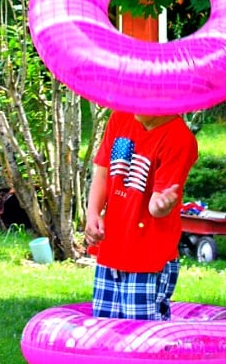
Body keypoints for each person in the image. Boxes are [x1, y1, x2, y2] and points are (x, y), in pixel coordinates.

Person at [84, 110, 199, 320]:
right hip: (112, 248)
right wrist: (92, 213)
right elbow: (102, 172)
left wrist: (163, 204)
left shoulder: (179, 139)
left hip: (148, 257)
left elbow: (156, 206)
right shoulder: (121, 117)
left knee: (143, 337)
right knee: (105, 329)